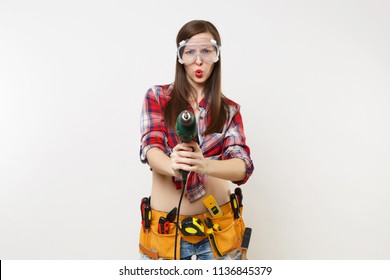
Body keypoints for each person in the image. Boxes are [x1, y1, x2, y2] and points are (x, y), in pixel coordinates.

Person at [139, 20, 254, 260]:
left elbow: (241, 166)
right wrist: (173, 164)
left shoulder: (229, 110)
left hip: (220, 230)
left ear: (217, 56)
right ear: (180, 56)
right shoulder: (158, 97)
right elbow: (151, 148)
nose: (198, 60)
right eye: (190, 51)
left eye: (206, 51)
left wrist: (204, 165)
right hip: (167, 234)